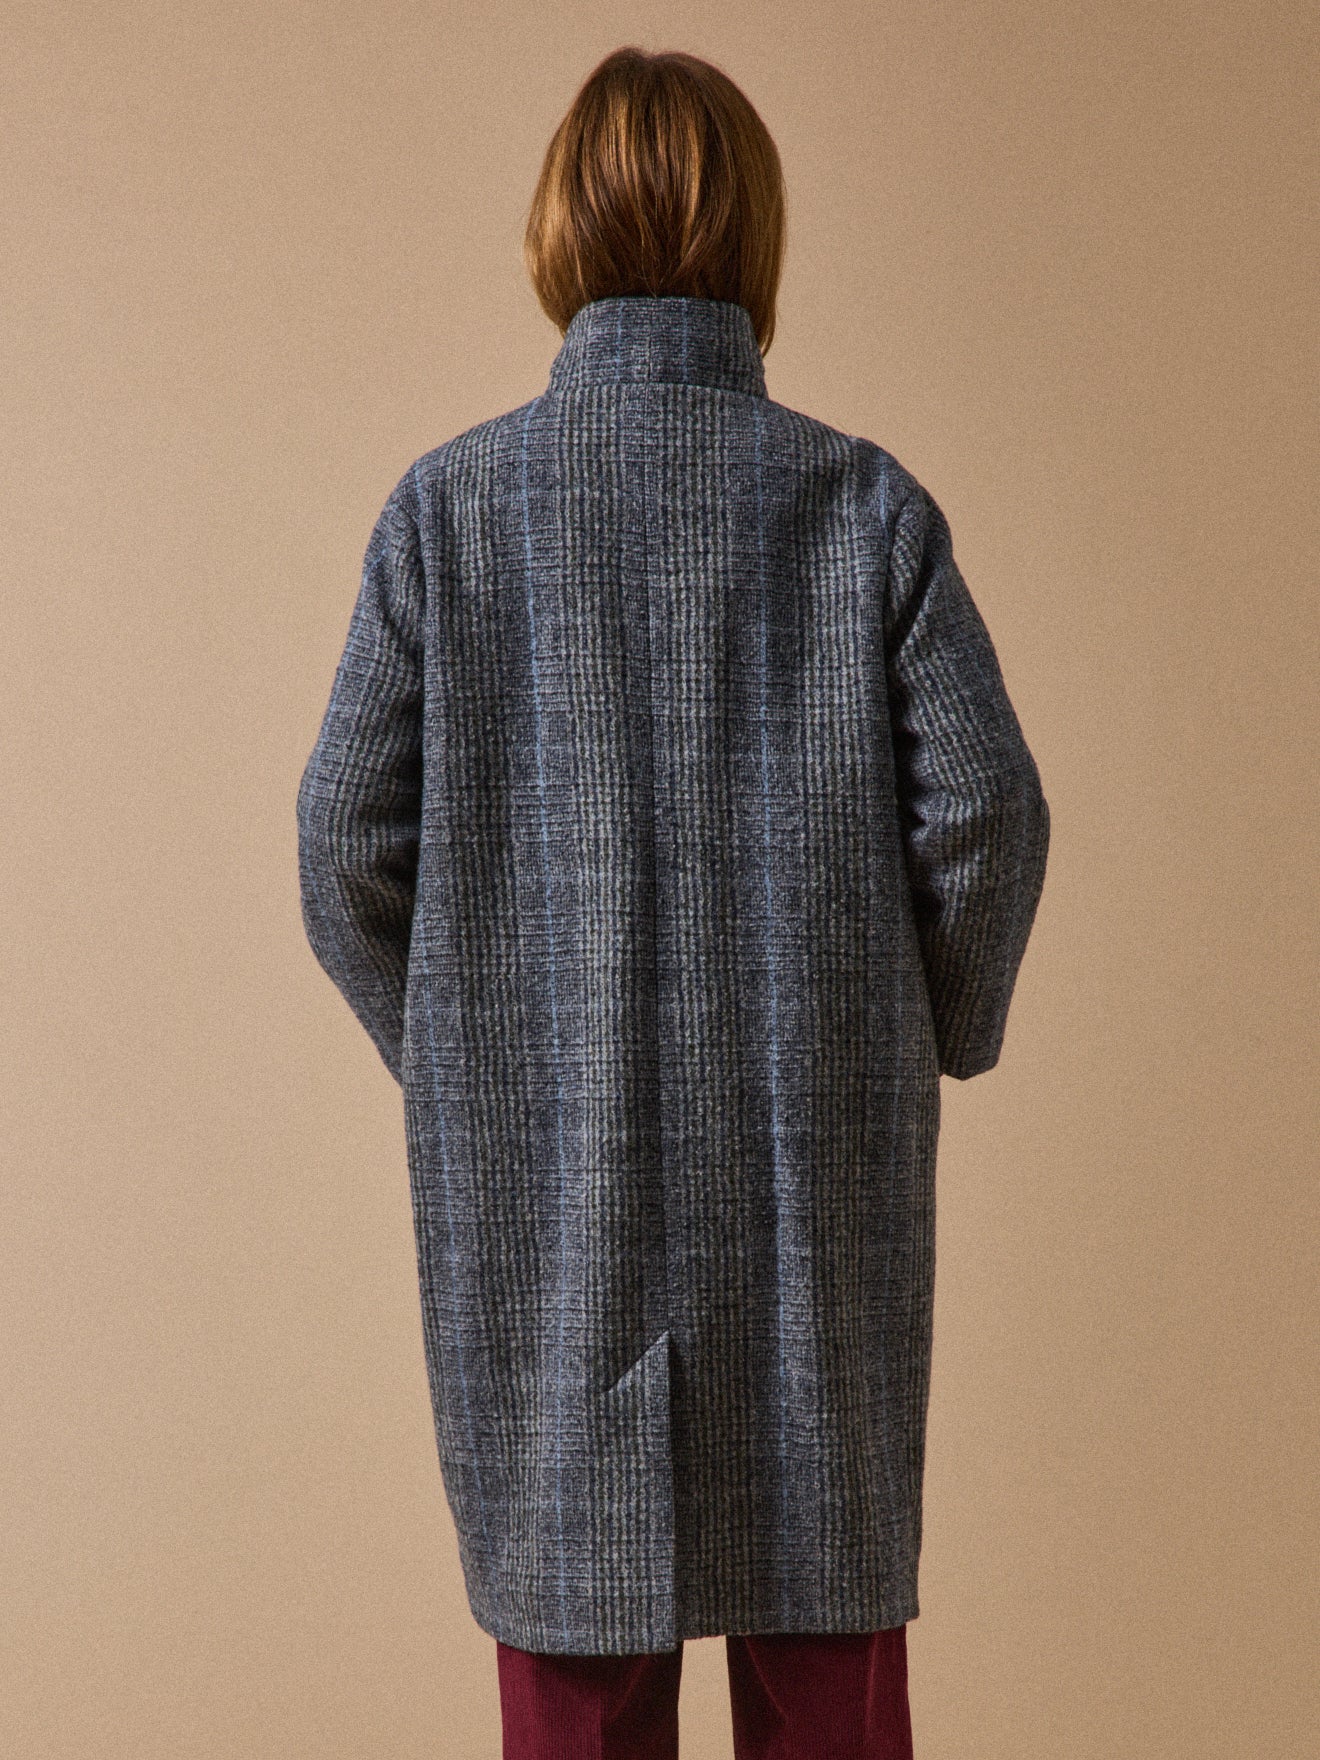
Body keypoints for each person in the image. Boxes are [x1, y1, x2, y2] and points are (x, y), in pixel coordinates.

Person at [296, 44, 1050, 1760]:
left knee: (577, 1679)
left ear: (557, 233)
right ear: (755, 238)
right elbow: (987, 814)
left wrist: (469, 1059)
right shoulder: (863, 507)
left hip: (547, 1206)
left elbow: (343, 837)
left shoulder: (447, 518)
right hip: (816, 1195)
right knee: (828, 1676)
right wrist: (932, 1030)